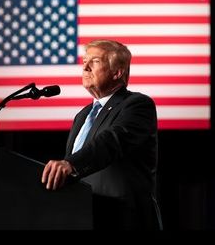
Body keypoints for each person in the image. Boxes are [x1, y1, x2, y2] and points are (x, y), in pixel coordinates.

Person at [41, 39, 162, 230]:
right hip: (83, 216)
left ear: (117, 72)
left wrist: (71, 163)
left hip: (123, 218)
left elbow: (112, 141)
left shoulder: (137, 104)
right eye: (84, 62)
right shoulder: (82, 116)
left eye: (95, 61)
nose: (86, 67)